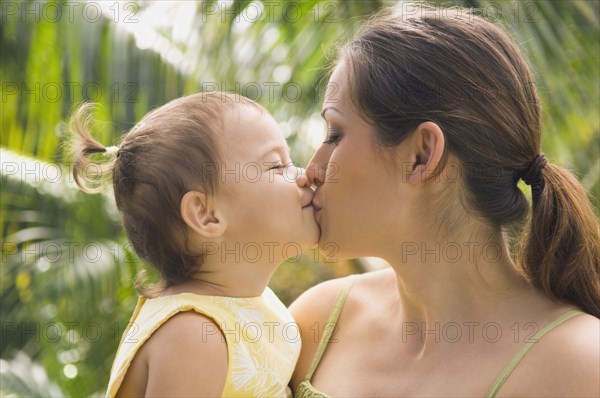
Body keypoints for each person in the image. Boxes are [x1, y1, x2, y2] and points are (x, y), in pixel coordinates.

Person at [290, 8, 600, 397]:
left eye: (335, 133)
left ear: (421, 155)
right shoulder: (318, 323)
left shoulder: (577, 367)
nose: (311, 169)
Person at [68, 92, 319, 397]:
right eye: (277, 166)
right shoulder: (193, 335)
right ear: (205, 214)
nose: (304, 175)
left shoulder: (254, 302)